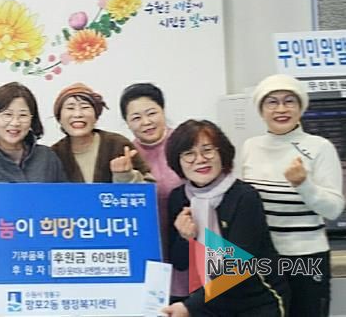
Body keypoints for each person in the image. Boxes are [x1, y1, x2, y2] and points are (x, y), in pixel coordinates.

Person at [239, 74, 345, 317]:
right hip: (265, 257)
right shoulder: (250, 147)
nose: (281, 109)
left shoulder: (320, 147)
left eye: (289, 101)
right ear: (261, 110)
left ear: (300, 107)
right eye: (272, 102)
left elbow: (333, 209)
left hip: (307, 257)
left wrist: (303, 184)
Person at [162, 120, 289, 317]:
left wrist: (190, 307)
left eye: (208, 150)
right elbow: (180, 263)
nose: (200, 160)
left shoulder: (244, 196)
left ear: (222, 153)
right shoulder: (179, 198)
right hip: (209, 302)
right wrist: (184, 238)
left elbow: (238, 267)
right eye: (189, 154)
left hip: (257, 300)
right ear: (177, 161)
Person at [120, 82, 186, 301]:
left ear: (163, 111)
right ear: (127, 122)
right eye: (136, 118)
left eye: (151, 113)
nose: (146, 122)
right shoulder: (125, 156)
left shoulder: (186, 144)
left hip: (190, 246)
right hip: (149, 253)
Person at [0, 82, 66, 183]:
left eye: (23, 115)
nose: (15, 123)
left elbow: (64, 193)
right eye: (8, 115)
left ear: (32, 120)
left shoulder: (47, 157)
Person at [51, 82, 153, 183]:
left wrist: (125, 176)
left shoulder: (117, 144)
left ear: (96, 116)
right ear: (59, 118)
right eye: (70, 108)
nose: (78, 114)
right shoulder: (54, 154)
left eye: (85, 107)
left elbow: (149, 187)